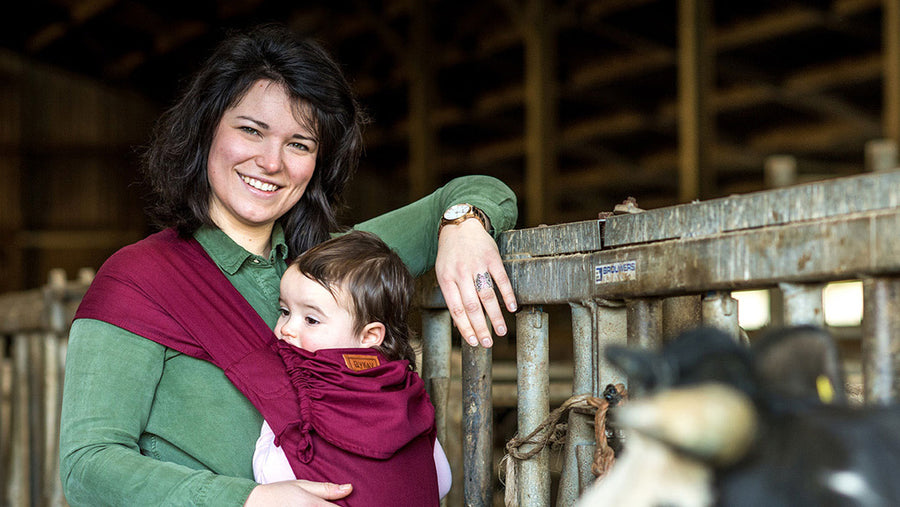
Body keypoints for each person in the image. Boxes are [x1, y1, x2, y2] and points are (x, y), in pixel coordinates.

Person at [59, 23, 517, 507]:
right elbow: (87, 465)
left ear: (319, 161)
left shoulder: (336, 265)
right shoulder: (139, 279)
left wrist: (464, 223)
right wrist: (249, 500)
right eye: (251, 131)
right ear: (207, 129)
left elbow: (476, 188)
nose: (271, 162)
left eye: (299, 143)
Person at [252, 230, 452, 504]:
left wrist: (267, 430)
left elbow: (270, 475)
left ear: (369, 336)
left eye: (311, 320)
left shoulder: (305, 386)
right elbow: (442, 480)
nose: (287, 329)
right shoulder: (405, 391)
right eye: (284, 311)